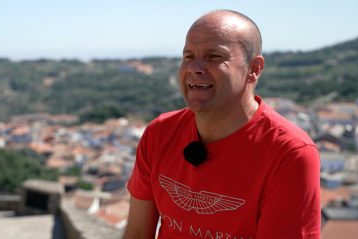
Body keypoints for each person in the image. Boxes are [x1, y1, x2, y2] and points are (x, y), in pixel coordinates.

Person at [123, 9, 320, 239]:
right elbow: (137, 233)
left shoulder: (290, 154)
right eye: (188, 57)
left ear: (253, 69)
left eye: (213, 56)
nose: (194, 68)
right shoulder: (159, 133)